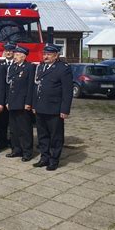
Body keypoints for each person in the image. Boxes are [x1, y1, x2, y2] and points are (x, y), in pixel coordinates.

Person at [32, 43, 73, 171]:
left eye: (49, 54)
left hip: (54, 109)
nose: (46, 56)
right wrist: (34, 105)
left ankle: (54, 160)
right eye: (44, 54)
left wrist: (65, 109)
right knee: (42, 135)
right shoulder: (40, 67)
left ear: (56, 56)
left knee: (56, 136)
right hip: (40, 108)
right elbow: (36, 87)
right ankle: (44, 158)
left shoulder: (63, 68)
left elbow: (67, 91)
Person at [5, 46, 35, 162]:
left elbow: (30, 87)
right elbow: (9, 86)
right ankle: (16, 149)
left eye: (17, 55)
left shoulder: (29, 67)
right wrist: (7, 101)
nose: (15, 56)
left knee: (25, 129)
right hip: (12, 102)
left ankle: (27, 151)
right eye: (15, 54)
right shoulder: (12, 67)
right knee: (14, 129)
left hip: (22, 103)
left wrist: (28, 102)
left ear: (24, 56)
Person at [0, 42, 16, 149]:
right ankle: (2, 142)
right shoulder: (0, 65)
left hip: (14, 98)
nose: (8, 53)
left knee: (14, 124)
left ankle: (14, 143)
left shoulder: (17, 64)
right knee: (1, 122)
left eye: (11, 51)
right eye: (7, 51)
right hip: (2, 97)